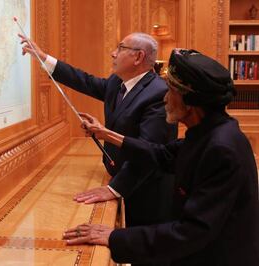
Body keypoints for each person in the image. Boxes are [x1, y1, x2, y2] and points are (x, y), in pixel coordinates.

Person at [63, 49, 259, 266]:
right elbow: (164, 155)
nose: (165, 97)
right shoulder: (209, 132)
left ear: (190, 101)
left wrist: (113, 237)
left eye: (171, 91)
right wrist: (106, 134)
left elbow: (192, 232)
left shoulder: (221, 148)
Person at [19, 33, 177, 231]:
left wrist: (114, 188)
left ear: (138, 57)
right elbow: (84, 81)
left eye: (120, 48)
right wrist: (44, 58)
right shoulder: (116, 82)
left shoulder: (157, 93)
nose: (113, 53)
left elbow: (150, 153)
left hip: (146, 193)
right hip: (120, 176)